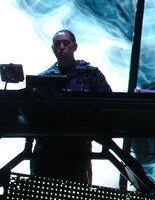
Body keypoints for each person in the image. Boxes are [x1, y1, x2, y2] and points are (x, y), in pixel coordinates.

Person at [30, 29, 112, 184]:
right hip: (47, 148)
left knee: (77, 192)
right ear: (53, 48)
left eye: (66, 43)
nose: (61, 47)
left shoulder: (90, 75)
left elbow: (108, 103)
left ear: (75, 46)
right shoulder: (44, 78)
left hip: (78, 147)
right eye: (57, 44)